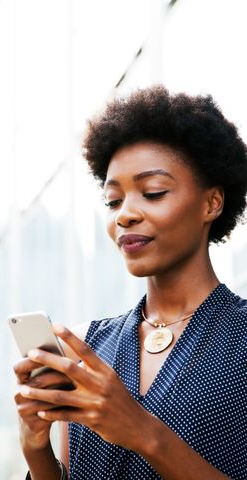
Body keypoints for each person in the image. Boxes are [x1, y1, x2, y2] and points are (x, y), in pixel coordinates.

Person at [13, 85, 247, 479]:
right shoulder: (88, 349)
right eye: (113, 200)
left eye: (153, 192)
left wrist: (142, 432)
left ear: (212, 203)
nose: (125, 215)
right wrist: (35, 447)